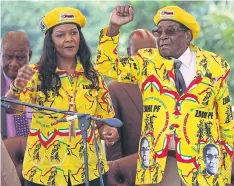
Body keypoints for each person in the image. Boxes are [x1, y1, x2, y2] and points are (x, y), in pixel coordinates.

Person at [94, 5, 234, 186]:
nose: (163, 36)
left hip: (203, 167)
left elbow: (226, 123)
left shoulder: (215, 65)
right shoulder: (147, 62)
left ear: (187, 36)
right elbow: (105, 66)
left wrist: (226, 163)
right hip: (160, 165)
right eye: (158, 32)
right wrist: (114, 28)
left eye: (170, 31)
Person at [5, 7, 119, 186]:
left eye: (73, 33)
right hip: (44, 171)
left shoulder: (93, 75)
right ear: (50, 40)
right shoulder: (36, 74)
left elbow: (104, 119)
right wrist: (17, 86)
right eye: (60, 35)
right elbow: (11, 109)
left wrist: (108, 131)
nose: (69, 39)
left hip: (88, 170)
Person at [106, 29, 156, 161]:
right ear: (129, 53)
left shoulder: (169, 83)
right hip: (132, 169)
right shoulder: (115, 88)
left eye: (151, 52)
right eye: (140, 53)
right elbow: (113, 142)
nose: (146, 58)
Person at [1, 31, 32, 139]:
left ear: (30, 56)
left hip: (36, 152)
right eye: (9, 57)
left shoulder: (41, 82)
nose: (13, 64)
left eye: (20, 57)